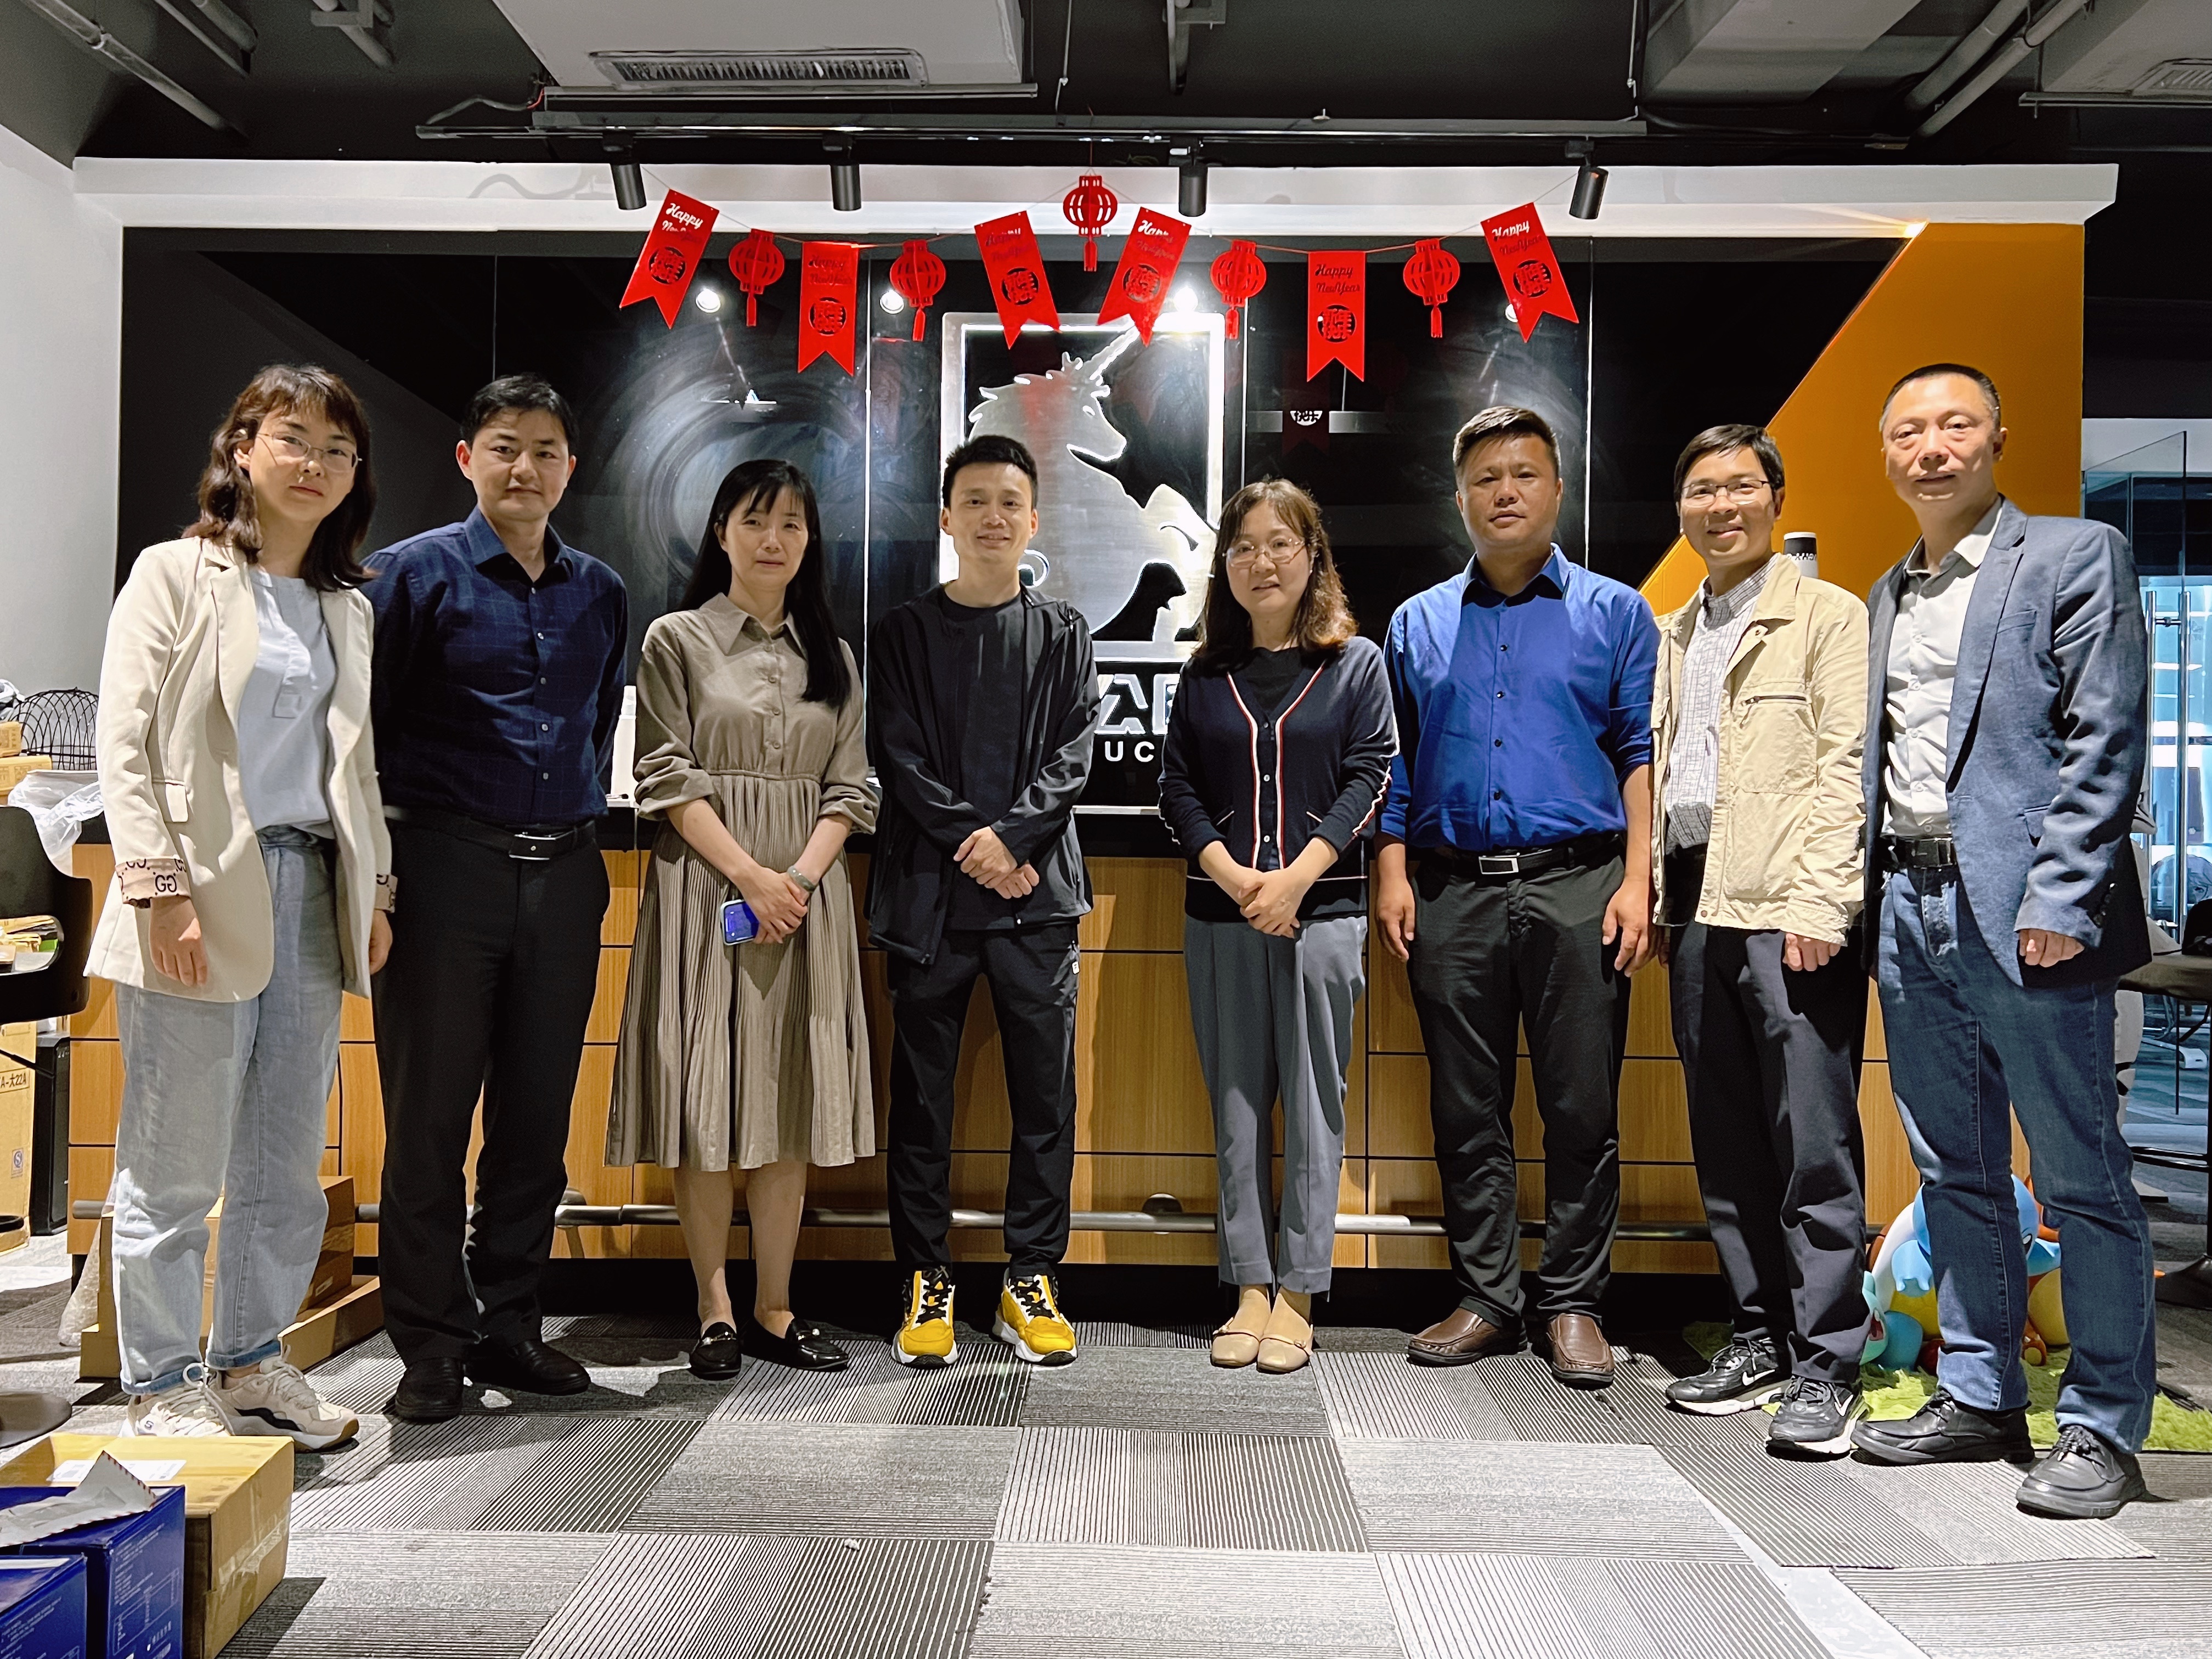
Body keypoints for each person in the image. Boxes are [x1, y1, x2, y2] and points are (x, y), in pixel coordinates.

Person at [1848, 364, 2156, 1519]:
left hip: (2030, 914)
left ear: (1996, 438)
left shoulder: (2075, 555)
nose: (1930, 447)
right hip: (1908, 903)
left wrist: (2063, 899)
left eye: (1954, 425)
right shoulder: (1887, 593)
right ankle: (1980, 1395)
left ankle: (2103, 1425)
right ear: (1887, 453)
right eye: (1908, 431)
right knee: (1954, 1168)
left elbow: (2104, 736)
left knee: (2079, 1173)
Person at [93, 363, 393, 1446]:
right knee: (174, 1153)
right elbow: (124, 742)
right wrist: (159, 891)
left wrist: (376, 890)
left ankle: (253, 1361)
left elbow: (354, 769)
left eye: (336, 449)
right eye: (292, 438)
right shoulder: (176, 574)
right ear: (242, 448)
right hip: (200, 886)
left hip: (312, 888)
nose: (314, 463)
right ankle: (161, 1381)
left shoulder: (346, 608)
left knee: (283, 1155)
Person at [365, 374, 628, 1423]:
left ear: (571, 468)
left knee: (535, 1118)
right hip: (444, 868)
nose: (526, 468)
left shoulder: (599, 589)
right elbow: (365, 735)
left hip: (565, 871)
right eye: (506, 447)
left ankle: (509, 1325)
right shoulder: (409, 574)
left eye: (546, 451)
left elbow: (595, 725)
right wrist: (380, 881)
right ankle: (431, 1343)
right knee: (428, 1118)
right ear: (466, 458)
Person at [1376, 405, 1657, 1386]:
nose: (1506, 492)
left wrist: (1639, 878)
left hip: (1582, 884)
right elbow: (1395, 763)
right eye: (1486, 478)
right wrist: (1392, 871)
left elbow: (1639, 752)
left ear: (1558, 490)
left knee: (1582, 1105)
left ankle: (1573, 1300)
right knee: (1467, 1105)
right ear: (1460, 498)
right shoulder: (1416, 622)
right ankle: (1488, 1297)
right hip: (1451, 891)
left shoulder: (1616, 612)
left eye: (1525, 474)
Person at [607, 459, 875, 1379]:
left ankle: (775, 1305)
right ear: (721, 531)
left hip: (804, 898)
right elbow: (664, 774)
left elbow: (851, 787)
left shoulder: (834, 655)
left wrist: (793, 880)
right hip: (707, 888)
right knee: (707, 1091)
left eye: (792, 524)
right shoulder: (677, 639)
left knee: (786, 1095)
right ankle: (715, 1308)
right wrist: (751, 878)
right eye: (757, 521)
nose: (774, 540)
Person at [1647, 425, 1872, 1455]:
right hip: (1698, 899)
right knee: (1727, 1134)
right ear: (1682, 510)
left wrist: (1823, 906)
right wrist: (1663, 899)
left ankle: (1829, 1361)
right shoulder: (1676, 630)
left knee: (1812, 1141)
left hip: (1790, 904)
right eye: (1702, 490)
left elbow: (1844, 766)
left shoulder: (1828, 614)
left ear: (1777, 499)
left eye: (1741, 487)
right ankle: (1758, 1336)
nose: (1721, 506)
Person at [867, 435, 1101, 1369]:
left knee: (1045, 1101)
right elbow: (898, 754)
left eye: (1009, 502)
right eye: (974, 501)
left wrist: (1013, 843)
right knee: (922, 1104)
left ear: (1033, 520)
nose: (992, 517)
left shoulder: (1064, 632)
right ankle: (925, 1280)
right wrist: (982, 843)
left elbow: (1075, 752)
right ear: (946, 518)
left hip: (1037, 903)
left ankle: (1030, 1277)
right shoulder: (903, 631)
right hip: (929, 902)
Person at [1158, 481, 1393, 1375]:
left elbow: (1372, 775)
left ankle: (1299, 1292)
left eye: (1281, 543)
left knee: (1315, 1101)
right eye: (1245, 547)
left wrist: (1296, 879)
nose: (1263, 562)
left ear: (1312, 555)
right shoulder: (1203, 674)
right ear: (1225, 564)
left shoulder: (1355, 664)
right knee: (1236, 1103)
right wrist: (1233, 875)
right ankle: (1249, 1287)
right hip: (1219, 917)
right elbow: (1177, 788)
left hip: (1323, 915)